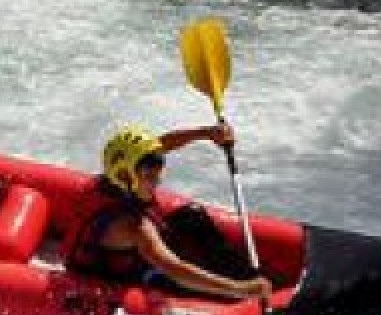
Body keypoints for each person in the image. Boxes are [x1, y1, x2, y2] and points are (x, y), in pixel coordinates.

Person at [62, 124, 273, 300]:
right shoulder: (133, 227)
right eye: (150, 176)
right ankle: (243, 292)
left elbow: (162, 144)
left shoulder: (117, 177)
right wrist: (239, 290)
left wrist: (205, 133)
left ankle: (246, 275)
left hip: (132, 251)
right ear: (126, 175)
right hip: (116, 275)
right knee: (187, 289)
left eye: (158, 172)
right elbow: (175, 269)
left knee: (193, 216)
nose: (158, 180)